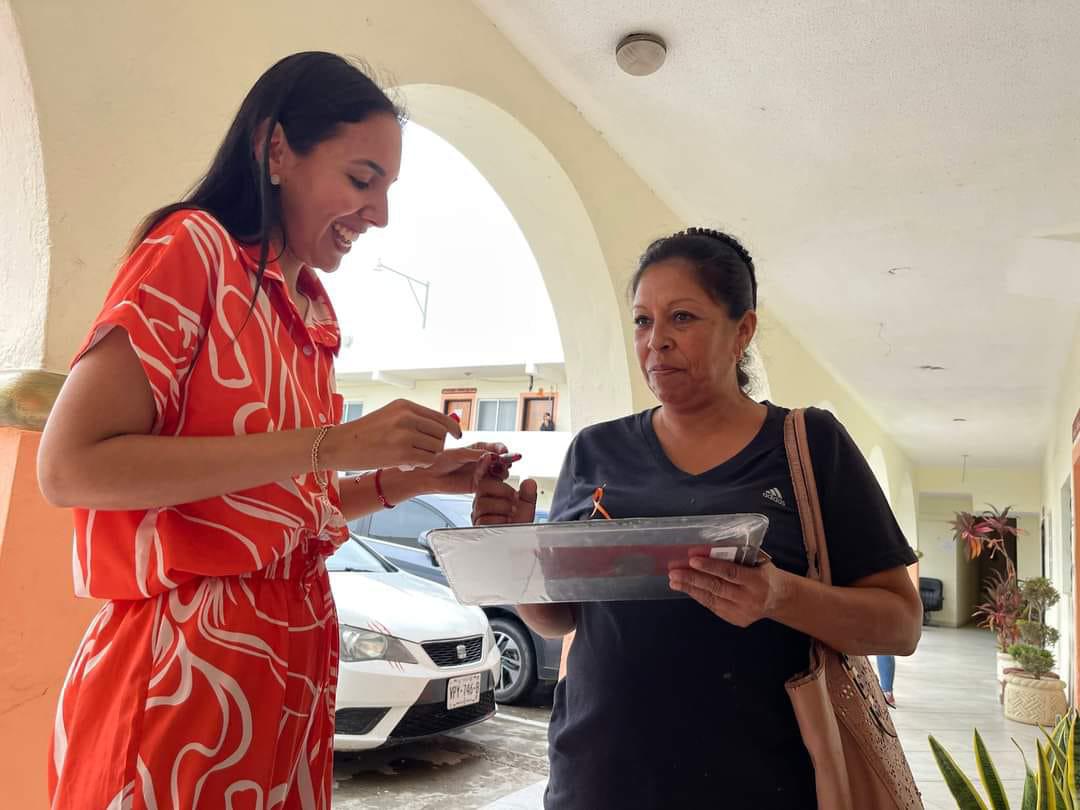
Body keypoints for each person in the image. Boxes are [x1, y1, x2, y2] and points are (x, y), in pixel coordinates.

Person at [38, 52, 510, 809]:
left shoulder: (311, 308)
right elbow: (68, 468)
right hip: (186, 666)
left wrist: (412, 480)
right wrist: (339, 444)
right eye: (361, 179)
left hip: (293, 666)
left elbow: (287, 506)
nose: (380, 215)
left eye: (388, 189)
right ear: (276, 149)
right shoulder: (194, 250)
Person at [472, 227, 922, 809]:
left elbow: (900, 625)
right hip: (599, 780)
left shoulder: (808, 444)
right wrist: (516, 550)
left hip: (764, 785)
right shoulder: (595, 450)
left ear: (743, 331)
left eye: (682, 317)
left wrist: (779, 596)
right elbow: (557, 617)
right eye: (643, 321)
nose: (656, 341)